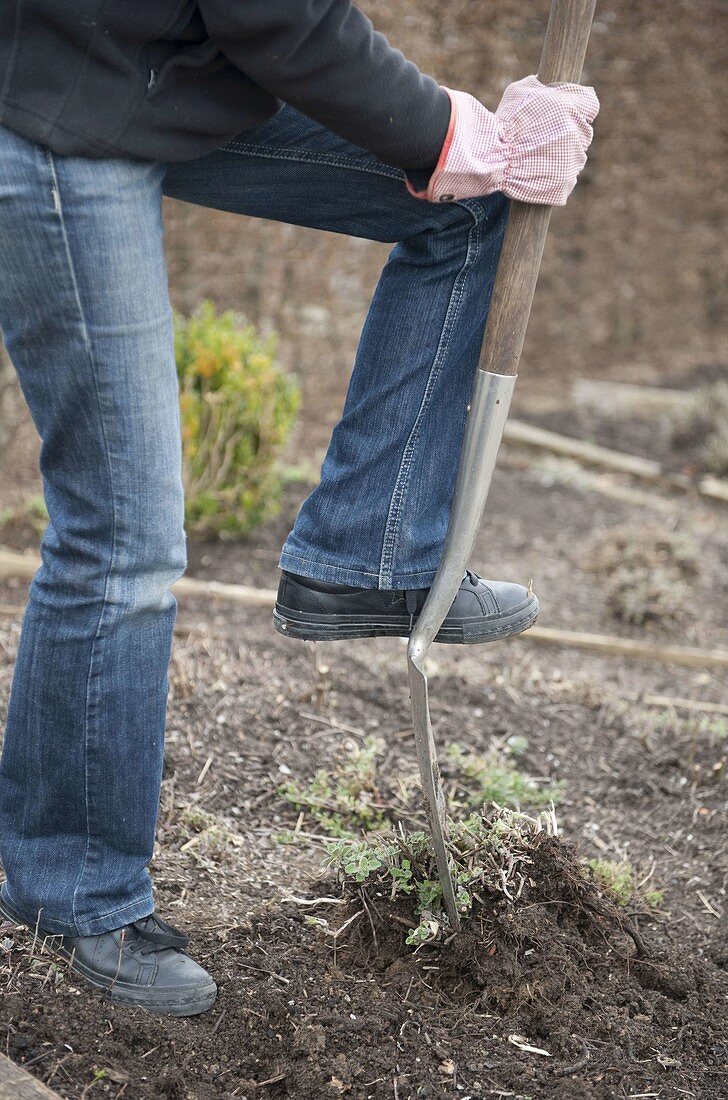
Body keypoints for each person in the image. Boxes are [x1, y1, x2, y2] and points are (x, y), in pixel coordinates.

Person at [0, 2, 598, 1016]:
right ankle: (77, 889)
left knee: (468, 201)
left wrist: (486, 144)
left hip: (160, 70)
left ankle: (369, 552)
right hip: (56, 98)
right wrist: (447, 128)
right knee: (125, 538)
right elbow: (276, 12)